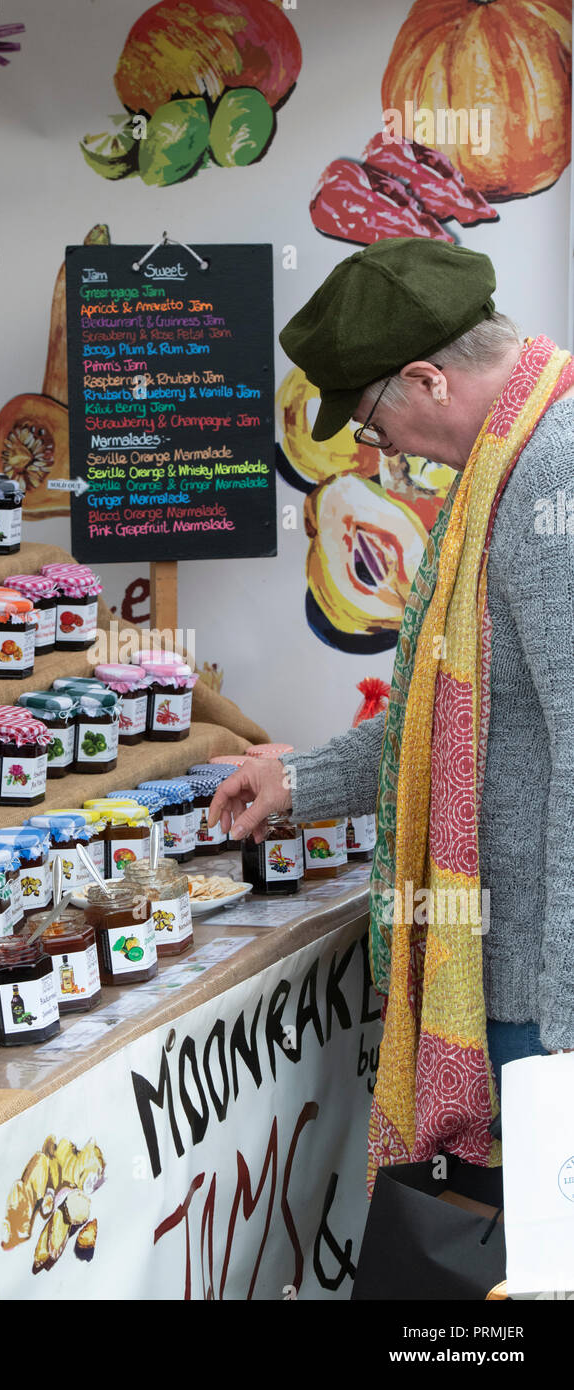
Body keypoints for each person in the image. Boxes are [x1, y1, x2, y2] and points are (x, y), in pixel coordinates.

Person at [208, 237, 574, 1181]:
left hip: (548, 987)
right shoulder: (513, 461)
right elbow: (454, 710)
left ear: (427, 379)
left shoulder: (548, 478)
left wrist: (566, 1023)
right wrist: (302, 778)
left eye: (369, 421)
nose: (376, 449)